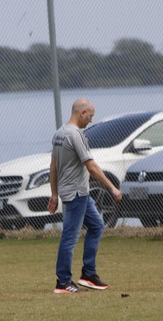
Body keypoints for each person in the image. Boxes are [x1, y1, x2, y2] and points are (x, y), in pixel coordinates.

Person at [47, 98, 122, 294]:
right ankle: (63, 281)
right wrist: (112, 188)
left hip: (75, 192)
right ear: (82, 113)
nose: (90, 120)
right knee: (70, 237)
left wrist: (54, 194)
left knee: (97, 226)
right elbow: (92, 166)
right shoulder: (75, 135)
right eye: (90, 116)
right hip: (76, 194)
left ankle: (88, 274)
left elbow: (53, 166)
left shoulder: (59, 134)